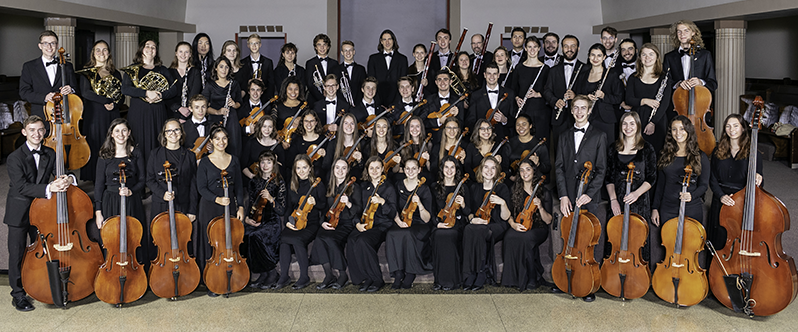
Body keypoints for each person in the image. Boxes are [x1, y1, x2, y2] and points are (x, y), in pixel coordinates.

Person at [4, 116, 72, 312]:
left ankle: (42, 287)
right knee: (16, 253)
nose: (37, 134)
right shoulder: (14, 157)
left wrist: (66, 179)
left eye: (41, 130)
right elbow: (22, 186)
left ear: (45, 132)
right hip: (19, 211)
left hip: (41, 211)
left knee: (42, 253)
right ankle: (18, 295)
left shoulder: (50, 153)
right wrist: (51, 186)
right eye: (32, 130)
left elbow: (61, 173)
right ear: (24, 132)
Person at [555, 95, 607, 302]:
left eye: (583, 108)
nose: (579, 112)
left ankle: (589, 285)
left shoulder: (599, 135)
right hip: (569, 196)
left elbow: (601, 170)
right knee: (568, 238)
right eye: (575, 108)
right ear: (570, 109)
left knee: (588, 242)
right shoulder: (564, 135)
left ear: (589, 110)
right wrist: (563, 195)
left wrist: (589, 193)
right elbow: (559, 168)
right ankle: (565, 279)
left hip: (588, 198)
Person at [651, 116, 710, 269]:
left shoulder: (699, 156)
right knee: (669, 246)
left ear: (688, 131)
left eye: (682, 129)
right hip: (668, 207)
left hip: (691, 208)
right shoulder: (665, 154)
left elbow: (704, 185)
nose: (678, 133)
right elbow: (660, 184)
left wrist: (692, 195)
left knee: (690, 246)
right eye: (674, 129)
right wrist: (655, 208)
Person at [196, 126, 245, 295]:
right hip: (209, 207)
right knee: (212, 246)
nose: (221, 142)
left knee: (229, 243)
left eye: (224, 138)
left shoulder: (234, 160)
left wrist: (241, 207)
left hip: (229, 205)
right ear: (211, 141)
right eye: (217, 138)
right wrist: (217, 199)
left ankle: (230, 278)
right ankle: (213, 282)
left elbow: (239, 186)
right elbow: (201, 188)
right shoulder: (204, 161)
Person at [604, 112, 657, 270]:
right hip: (617, 201)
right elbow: (608, 178)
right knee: (614, 237)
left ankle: (639, 274)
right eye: (625, 124)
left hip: (639, 200)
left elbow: (652, 178)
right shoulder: (613, 148)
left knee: (638, 239)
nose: (628, 127)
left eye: (632, 123)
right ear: (621, 127)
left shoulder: (647, 148)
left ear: (638, 126)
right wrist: (613, 200)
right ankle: (613, 273)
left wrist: (636, 193)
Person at [93, 118, 148, 265]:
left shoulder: (135, 153)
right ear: (111, 134)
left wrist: (131, 191)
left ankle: (135, 269)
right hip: (110, 201)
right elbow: (98, 185)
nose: (121, 134)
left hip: (131, 200)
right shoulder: (104, 155)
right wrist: (98, 212)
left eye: (124, 130)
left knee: (133, 237)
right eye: (117, 131)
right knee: (112, 239)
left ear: (129, 133)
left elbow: (142, 180)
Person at [709, 114, 763, 251]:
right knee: (718, 241)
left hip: (742, 201)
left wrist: (758, 178)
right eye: (728, 126)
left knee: (740, 239)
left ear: (743, 128)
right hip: (721, 199)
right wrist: (721, 196)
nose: (731, 129)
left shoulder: (754, 153)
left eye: (735, 125)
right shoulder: (717, 150)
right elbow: (712, 178)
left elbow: (759, 185)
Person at [120, 39, 179, 163]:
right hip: (139, 111)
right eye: (147, 46)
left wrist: (160, 95)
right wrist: (146, 93)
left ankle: (155, 171)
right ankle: (140, 174)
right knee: (138, 140)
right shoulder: (133, 68)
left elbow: (174, 89)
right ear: (141, 49)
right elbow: (125, 89)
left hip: (157, 111)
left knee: (157, 140)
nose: (150, 49)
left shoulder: (162, 69)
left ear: (156, 52)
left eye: (153, 47)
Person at [274, 154, 327, 290]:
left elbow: (324, 205)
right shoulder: (292, 185)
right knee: (284, 239)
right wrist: (287, 222)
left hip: (311, 223)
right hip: (295, 220)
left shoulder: (317, 184)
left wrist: (315, 203)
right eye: (298, 168)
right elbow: (288, 208)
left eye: (304, 167)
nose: (301, 171)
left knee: (297, 239)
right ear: (294, 170)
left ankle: (304, 277)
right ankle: (284, 276)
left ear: (310, 168)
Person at [347, 157, 397, 292]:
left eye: (377, 168)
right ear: (367, 170)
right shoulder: (363, 187)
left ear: (382, 169)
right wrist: (357, 223)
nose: (374, 171)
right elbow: (357, 209)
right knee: (352, 239)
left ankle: (377, 279)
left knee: (363, 240)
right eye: (371, 168)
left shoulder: (389, 187)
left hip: (382, 225)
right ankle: (363, 277)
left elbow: (392, 213)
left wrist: (382, 202)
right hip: (364, 223)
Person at [462, 156, 511, 291]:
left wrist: (503, 203)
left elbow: (506, 217)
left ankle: (480, 273)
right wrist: (473, 219)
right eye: (486, 167)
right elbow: (471, 212)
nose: (489, 170)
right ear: (481, 169)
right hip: (479, 224)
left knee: (480, 230)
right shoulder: (474, 187)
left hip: (497, 225)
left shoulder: (502, 188)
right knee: (469, 228)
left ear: (497, 171)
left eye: (493, 168)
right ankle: (470, 273)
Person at [503, 160, 553, 291]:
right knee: (509, 236)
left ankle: (532, 277)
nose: (525, 173)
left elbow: (548, 221)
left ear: (534, 171)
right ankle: (513, 279)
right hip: (519, 224)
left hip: (539, 228)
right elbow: (509, 213)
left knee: (526, 238)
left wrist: (540, 207)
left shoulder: (544, 192)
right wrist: (513, 224)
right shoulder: (514, 190)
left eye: (528, 169)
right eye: (522, 170)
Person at [313, 157, 361, 290]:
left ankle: (342, 274)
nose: (340, 171)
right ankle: (328, 275)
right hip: (331, 221)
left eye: (343, 168)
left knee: (330, 239)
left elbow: (359, 210)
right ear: (333, 169)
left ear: (347, 170)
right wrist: (322, 222)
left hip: (346, 223)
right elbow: (323, 208)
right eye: (337, 167)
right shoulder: (329, 186)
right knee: (319, 239)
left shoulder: (354, 187)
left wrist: (349, 204)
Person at [79, 40, 122, 183]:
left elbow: (121, 96)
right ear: (93, 53)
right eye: (98, 50)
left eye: (104, 50)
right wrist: (107, 101)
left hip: (112, 114)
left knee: (111, 144)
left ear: (108, 53)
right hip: (94, 114)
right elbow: (86, 93)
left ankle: (111, 177)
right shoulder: (87, 72)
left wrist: (115, 104)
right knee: (95, 144)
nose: (101, 53)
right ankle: (94, 180)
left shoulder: (115, 73)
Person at [386, 158, 433, 289]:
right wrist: (398, 221)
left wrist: (419, 204)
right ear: (404, 170)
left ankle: (411, 272)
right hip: (402, 220)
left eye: (414, 168)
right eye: (408, 168)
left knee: (407, 233)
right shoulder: (398, 185)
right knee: (391, 234)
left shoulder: (424, 189)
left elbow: (427, 218)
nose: (410, 171)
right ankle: (398, 272)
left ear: (419, 170)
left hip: (420, 223)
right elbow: (393, 208)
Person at [244, 150, 287, 289]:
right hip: (256, 219)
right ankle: (263, 273)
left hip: (272, 221)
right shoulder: (254, 181)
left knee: (257, 236)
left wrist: (271, 199)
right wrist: (247, 219)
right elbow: (250, 204)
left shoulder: (278, 181)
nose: (265, 165)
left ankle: (272, 273)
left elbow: (282, 209)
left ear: (274, 164)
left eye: (269, 162)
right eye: (262, 162)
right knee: (247, 235)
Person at [663, 20, 717, 122]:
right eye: (679, 31)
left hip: (699, 109)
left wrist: (701, 82)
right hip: (677, 109)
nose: (682, 34)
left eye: (686, 30)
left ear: (693, 32)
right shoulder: (669, 57)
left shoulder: (705, 55)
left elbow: (713, 84)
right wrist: (678, 84)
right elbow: (664, 82)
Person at [430, 156, 470, 290]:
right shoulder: (435, 187)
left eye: (452, 167)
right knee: (439, 235)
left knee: (449, 235)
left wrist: (463, 204)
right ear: (442, 169)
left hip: (457, 224)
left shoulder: (463, 187)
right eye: (446, 167)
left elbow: (468, 212)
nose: (449, 170)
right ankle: (439, 280)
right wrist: (437, 224)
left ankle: (452, 281)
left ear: (456, 169)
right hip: (440, 223)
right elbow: (431, 210)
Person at [146, 119, 198, 223]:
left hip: (182, 203)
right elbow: (150, 180)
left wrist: (192, 209)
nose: (173, 133)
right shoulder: (155, 154)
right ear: (164, 134)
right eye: (169, 131)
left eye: (176, 130)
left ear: (181, 132)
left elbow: (193, 183)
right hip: (160, 204)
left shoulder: (190, 156)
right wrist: (162, 194)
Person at [19, 31, 77, 124]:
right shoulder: (29, 67)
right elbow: (24, 92)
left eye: (52, 43)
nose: (49, 47)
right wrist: (44, 97)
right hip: (40, 116)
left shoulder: (67, 66)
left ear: (57, 45)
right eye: (45, 43)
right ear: (40, 46)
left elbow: (76, 88)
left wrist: (71, 90)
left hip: (64, 115)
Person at [574, 43, 624, 145]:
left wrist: (604, 96)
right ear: (589, 56)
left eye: (599, 55)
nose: (595, 58)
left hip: (605, 119)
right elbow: (577, 95)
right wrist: (585, 97)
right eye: (593, 55)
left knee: (606, 148)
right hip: (587, 117)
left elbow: (619, 98)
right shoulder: (583, 75)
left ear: (604, 57)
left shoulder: (611, 75)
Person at [625, 43, 670, 154]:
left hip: (657, 121)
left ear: (657, 57)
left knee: (656, 152)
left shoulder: (664, 78)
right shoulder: (633, 77)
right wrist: (645, 101)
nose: (647, 57)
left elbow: (665, 104)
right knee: (637, 152)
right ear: (640, 58)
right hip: (637, 120)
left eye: (651, 54)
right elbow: (628, 99)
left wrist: (653, 123)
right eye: (644, 54)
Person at [543, 35, 585, 151]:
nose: (569, 49)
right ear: (561, 48)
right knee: (559, 150)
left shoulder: (585, 68)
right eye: (566, 46)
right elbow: (547, 91)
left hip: (579, 117)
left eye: (573, 46)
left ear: (578, 48)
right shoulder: (553, 70)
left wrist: (576, 97)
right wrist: (555, 101)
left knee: (578, 149)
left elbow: (589, 93)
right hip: (559, 118)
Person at [202, 56, 243, 158]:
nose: (224, 70)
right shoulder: (210, 85)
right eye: (221, 67)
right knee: (216, 148)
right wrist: (218, 111)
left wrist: (234, 104)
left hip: (231, 120)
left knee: (233, 147)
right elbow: (204, 107)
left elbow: (239, 103)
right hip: (215, 120)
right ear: (216, 68)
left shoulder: (234, 84)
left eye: (226, 67)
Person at [511, 36, 551, 140]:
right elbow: (513, 88)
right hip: (524, 110)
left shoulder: (546, 69)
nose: (532, 50)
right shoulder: (519, 68)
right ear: (525, 48)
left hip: (540, 111)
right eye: (529, 47)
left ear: (539, 48)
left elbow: (550, 89)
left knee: (540, 140)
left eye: (535, 47)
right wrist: (516, 98)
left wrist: (538, 94)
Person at [467, 63, 515, 138]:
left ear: (498, 75)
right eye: (489, 73)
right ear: (484, 75)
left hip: (503, 138)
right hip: (482, 139)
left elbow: (514, 118)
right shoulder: (475, 95)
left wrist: (505, 120)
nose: (492, 76)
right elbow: (471, 120)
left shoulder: (509, 93)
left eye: (494, 74)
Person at [368, 30, 408, 107]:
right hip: (378, 98)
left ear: (393, 40)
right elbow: (371, 80)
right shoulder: (373, 59)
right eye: (384, 39)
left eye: (389, 39)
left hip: (397, 98)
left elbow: (403, 81)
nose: (387, 42)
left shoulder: (403, 59)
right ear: (381, 41)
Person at [507, 114, 551, 185]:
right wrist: (512, 177)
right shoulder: (509, 143)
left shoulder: (539, 145)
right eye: (518, 124)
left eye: (524, 124)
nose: (520, 127)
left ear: (530, 126)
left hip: (533, 183)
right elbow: (504, 165)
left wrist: (538, 164)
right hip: (513, 183)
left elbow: (547, 168)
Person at [285, 110, 327, 179]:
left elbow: (327, 165)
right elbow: (289, 162)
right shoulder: (297, 140)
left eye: (312, 121)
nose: (309, 124)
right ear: (302, 123)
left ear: (316, 122)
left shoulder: (323, 140)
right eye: (306, 121)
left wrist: (325, 155)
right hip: (300, 176)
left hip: (317, 177)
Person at [322, 113, 365, 180]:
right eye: (346, 123)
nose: (349, 126)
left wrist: (360, 160)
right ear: (341, 125)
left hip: (354, 179)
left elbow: (364, 170)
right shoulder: (333, 144)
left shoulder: (362, 143)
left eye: (352, 123)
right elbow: (326, 166)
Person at [166, 41, 202, 122]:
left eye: (186, 52)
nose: (183, 55)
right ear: (176, 53)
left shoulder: (195, 72)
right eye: (180, 51)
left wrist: (186, 113)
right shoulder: (168, 72)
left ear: (190, 54)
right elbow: (166, 95)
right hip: (172, 114)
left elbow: (194, 94)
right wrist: (178, 109)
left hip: (190, 113)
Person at [242, 115, 284, 180]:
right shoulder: (251, 143)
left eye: (270, 127)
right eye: (264, 126)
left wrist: (276, 162)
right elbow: (243, 165)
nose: (267, 130)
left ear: (273, 128)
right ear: (260, 127)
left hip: (271, 182)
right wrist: (253, 177)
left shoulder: (278, 146)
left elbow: (282, 168)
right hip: (253, 180)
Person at [305, 34, 339, 105]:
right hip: (315, 100)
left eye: (324, 44)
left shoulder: (335, 63)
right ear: (315, 47)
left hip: (332, 98)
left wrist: (329, 95)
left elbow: (336, 81)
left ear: (328, 46)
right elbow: (310, 84)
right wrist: (322, 97)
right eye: (319, 45)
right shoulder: (310, 63)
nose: (322, 47)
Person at [240, 34, 276, 99]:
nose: (254, 46)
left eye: (256, 43)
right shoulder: (242, 63)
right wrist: (249, 83)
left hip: (264, 98)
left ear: (260, 45)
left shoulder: (268, 62)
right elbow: (241, 83)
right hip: (247, 99)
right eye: (251, 43)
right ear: (248, 45)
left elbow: (271, 83)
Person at [333, 40, 366, 104]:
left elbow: (363, 88)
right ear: (342, 53)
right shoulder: (335, 70)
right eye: (345, 50)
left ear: (354, 52)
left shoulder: (361, 69)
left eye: (350, 50)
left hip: (358, 104)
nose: (348, 53)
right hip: (342, 105)